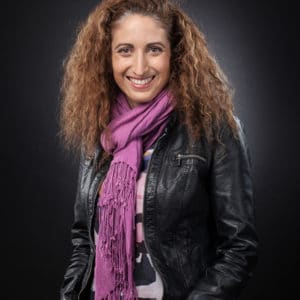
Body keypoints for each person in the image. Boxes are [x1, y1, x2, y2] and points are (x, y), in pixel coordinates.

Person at [59, 0, 258, 299]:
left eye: (154, 49)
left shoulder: (214, 130)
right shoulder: (99, 133)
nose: (139, 67)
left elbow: (239, 248)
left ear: (174, 54)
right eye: (125, 50)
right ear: (107, 57)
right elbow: (84, 241)